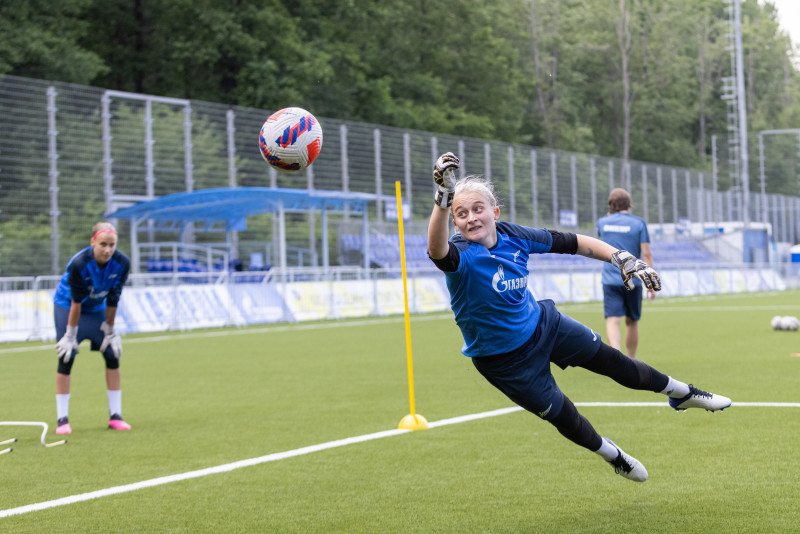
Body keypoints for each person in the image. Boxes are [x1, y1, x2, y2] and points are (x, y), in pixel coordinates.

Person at [427, 152, 731, 482]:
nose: (470, 217)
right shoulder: (459, 254)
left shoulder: (515, 235)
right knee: (564, 416)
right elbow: (436, 250)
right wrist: (443, 199)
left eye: (477, 209)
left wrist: (620, 257)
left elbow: (574, 243)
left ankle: (682, 393)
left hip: (544, 325)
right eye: (461, 213)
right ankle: (612, 454)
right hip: (504, 361)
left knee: (613, 361)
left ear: (495, 212)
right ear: (454, 222)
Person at [53, 222, 132, 434]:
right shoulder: (79, 263)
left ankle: (115, 416)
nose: (107, 250)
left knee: (112, 355)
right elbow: (76, 301)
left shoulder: (122, 262)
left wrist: (110, 330)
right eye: (103, 244)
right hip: (68, 305)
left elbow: (114, 298)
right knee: (67, 357)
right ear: (93, 243)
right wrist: (70, 335)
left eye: (112, 245)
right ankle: (63, 420)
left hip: (98, 307)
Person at [596, 188, 655, 358]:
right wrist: (649, 281)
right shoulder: (638, 223)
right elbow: (647, 253)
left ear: (611, 204)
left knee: (612, 319)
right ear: (629, 204)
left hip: (610, 279)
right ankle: (631, 360)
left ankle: (616, 358)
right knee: (631, 321)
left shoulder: (602, 222)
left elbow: (602, 241)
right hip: (633, 280)